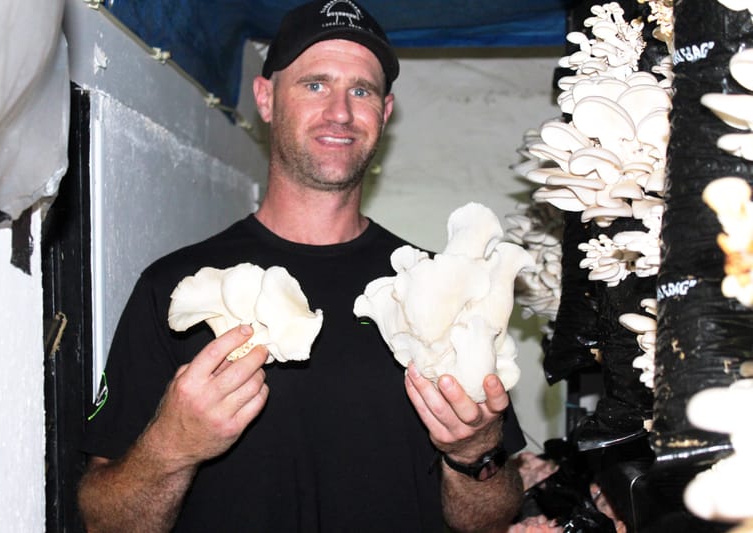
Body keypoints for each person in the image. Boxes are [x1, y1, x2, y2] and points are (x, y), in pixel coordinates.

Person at [77, 1, 526, 531]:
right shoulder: (174, 288)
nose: (340, 111)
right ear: (266, 99)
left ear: (384, 113)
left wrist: (476, 454)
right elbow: (104, 521)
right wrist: (171, 447)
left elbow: (491, 519)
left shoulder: (440, 289)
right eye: (315, 84)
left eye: (361, 90)